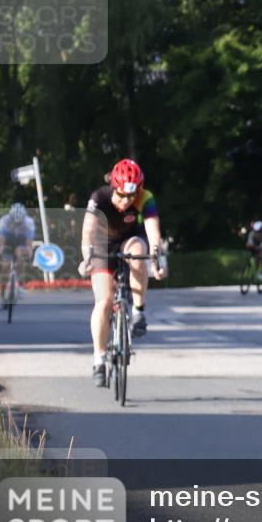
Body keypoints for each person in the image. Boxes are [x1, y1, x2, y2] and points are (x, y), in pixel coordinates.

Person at [78, 159, 166, 386]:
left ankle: (138, 311)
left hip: (129, 240)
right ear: (113, 187)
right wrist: (87, 257)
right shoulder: (100, 197)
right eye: (122, 195)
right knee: (104, 301)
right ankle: (98, 358)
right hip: (102, 245)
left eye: (132, 195)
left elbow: (152, 230)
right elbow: (87, 231)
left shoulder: (144, 197)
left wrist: (157, 260)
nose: (127, 201)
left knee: (139, 252)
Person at [0, 203, 36, 302]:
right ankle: (1, 294)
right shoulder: (4, 221)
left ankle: (21, 286)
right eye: (15, 222)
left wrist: (29, 253)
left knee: (20, 256)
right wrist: (0, 253)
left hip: (21, 241)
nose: (17, 224)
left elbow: (29, 243)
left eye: (19, 222)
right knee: (5, 266)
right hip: (9, 240)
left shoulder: (29, 222)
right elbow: (1, 240)